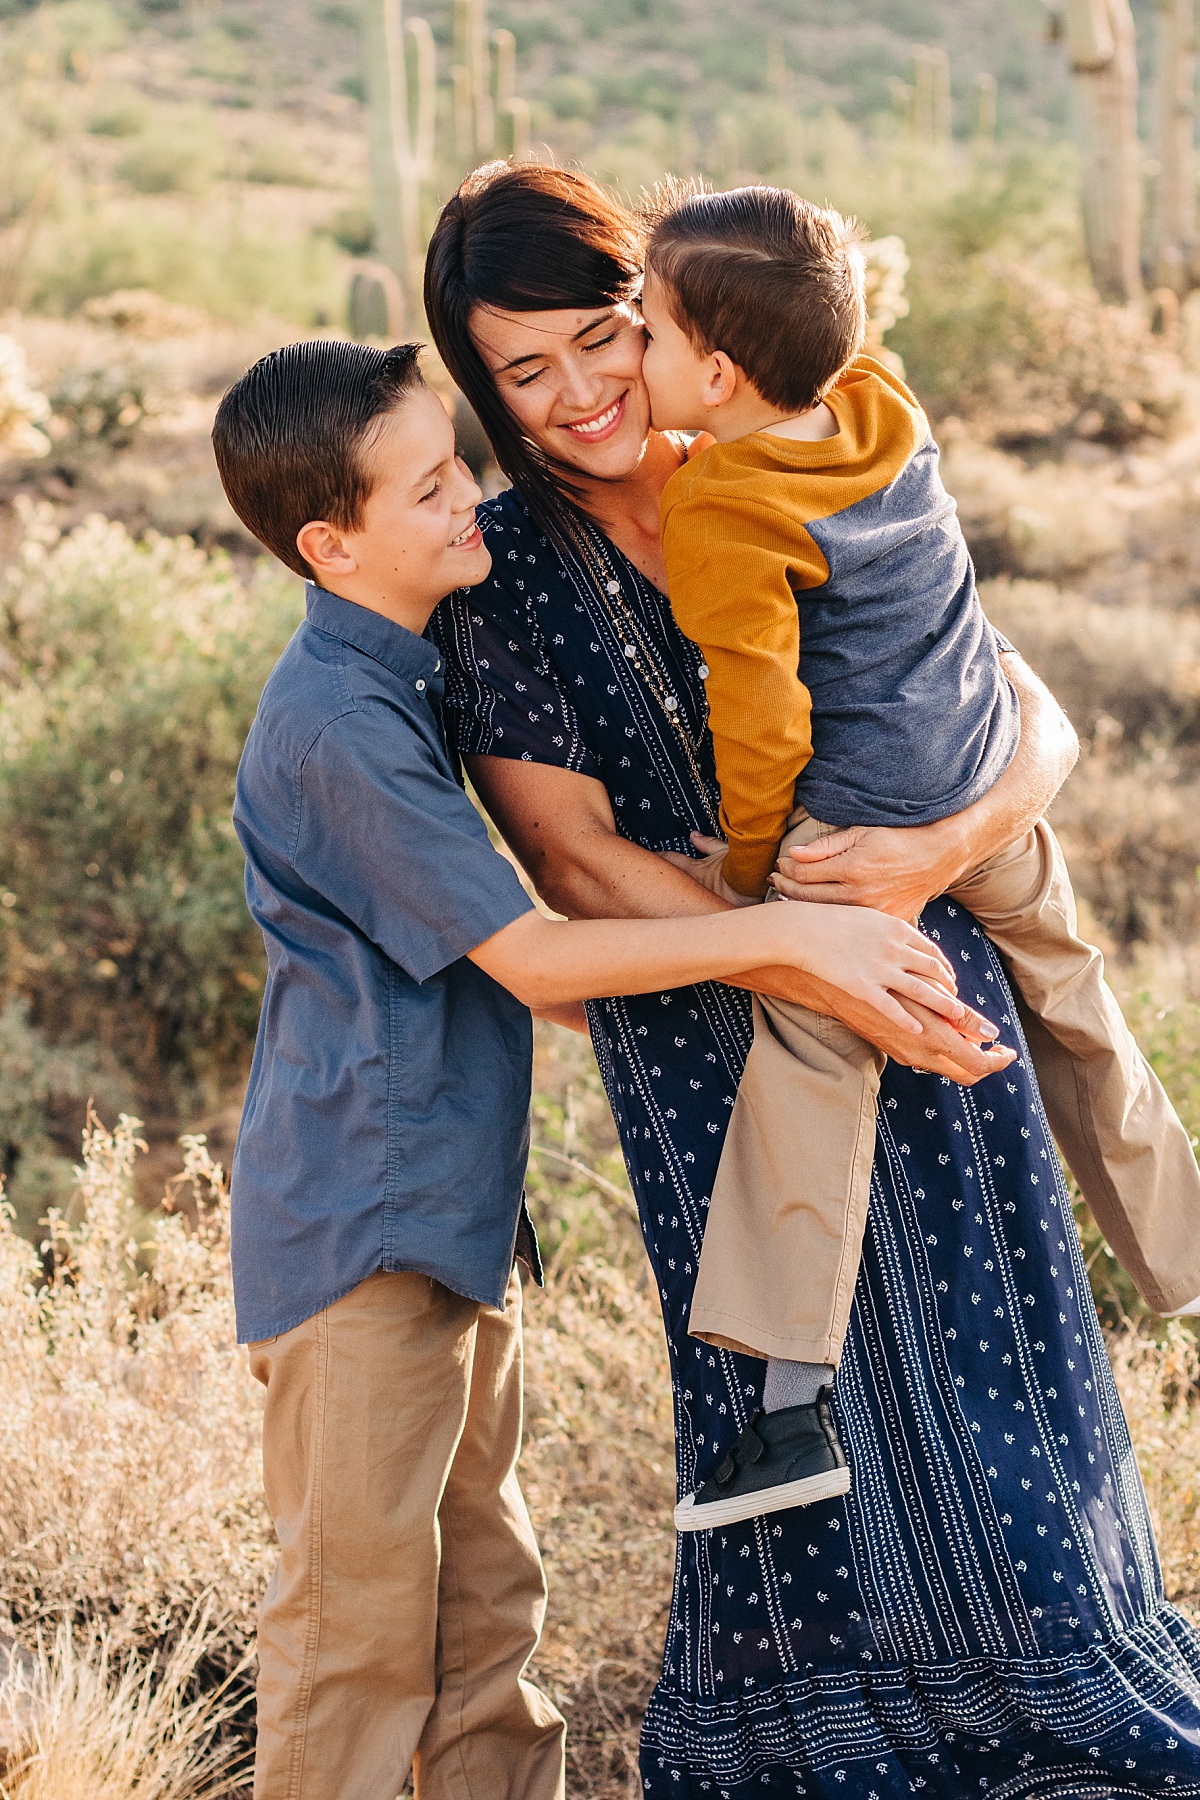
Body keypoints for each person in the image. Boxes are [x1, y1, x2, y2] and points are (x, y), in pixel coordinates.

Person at [424, 159, 1200, 1798]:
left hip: (930, 983)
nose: (575, 396)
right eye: (522, 371)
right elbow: (568, 861)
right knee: (802, 1418)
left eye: (602, 337)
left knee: (999, 1380)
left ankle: (1058, 1683)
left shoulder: (821, 444)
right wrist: (805, 939)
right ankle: (815, 1750)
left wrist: (923, 869)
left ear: (677, 321)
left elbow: (1014, 712)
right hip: (716, 1048)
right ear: (483, 389)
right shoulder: (497, 577)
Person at [210, 337, 969, 1800]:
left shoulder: (403, 682)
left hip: (446, 1217)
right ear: (332, 542)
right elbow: (536, 958)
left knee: (485, 1617)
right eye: (431, 488)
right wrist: (787, 942)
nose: (469, 506)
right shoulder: (339, 725)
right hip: (360, 1233)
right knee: (354, 1642)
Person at [635, 179, 1200, 1528]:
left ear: (713, 372)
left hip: (864, 817)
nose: (631, 352)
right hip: (986, 773)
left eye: (644, 332)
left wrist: (759, 872)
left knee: (813, 1062)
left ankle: (786, 1415)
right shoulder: (884, 399)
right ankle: (1184, 1256)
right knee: (1079, 1001)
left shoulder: (721, 508)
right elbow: (821, 316)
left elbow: (759, 719)